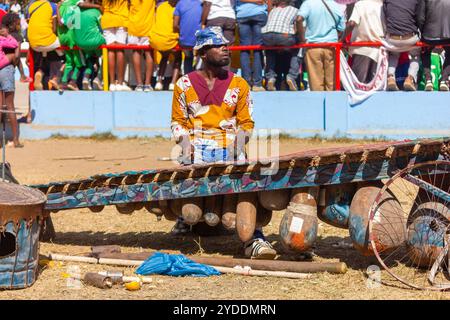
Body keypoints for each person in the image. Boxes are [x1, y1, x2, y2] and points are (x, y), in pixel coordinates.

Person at [170, 27, 277, 260]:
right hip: (196, 149)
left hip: (230, 147)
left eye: (225, 45)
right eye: (218, 46)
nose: (225, 48)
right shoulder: (183, 85)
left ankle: (255, 238)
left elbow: (246, 124)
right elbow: (178, 123)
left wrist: (235, 149)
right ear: (202, 53)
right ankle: (185, 216)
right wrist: (187, 147)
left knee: (247, 184)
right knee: (186, 189)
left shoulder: (239, 84)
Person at [296, 0, 345, 91]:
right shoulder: (335, 5)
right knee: (332, 83)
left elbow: (299, 19)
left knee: (316, 85)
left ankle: (318, 104)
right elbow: (342, 28)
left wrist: (302, 39)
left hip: (313, 47)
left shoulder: (308, 3)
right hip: (332, 47)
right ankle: (332, 104)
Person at [341, 0, 384, 84]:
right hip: (379, 51)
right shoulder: (382, 6)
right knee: (375, 89)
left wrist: (341, 39)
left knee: (359, 88)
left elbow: (351, 23)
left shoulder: (360, 4)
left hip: (362, 50)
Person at [383, 0, 420, 91]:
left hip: (393, 38)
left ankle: (391, 77)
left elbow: (384, 17)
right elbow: (419, 18)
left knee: (393, 54)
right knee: (415, 55)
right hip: (409, 38)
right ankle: (410, 78)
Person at [261, 0, 299, 91]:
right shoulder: (295, 10)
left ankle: (270, 77)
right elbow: (297, 27)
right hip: (283, 36)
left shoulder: (273, 10)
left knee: (270, 50)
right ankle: (292, 76)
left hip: (266, 35)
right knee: (299, 47)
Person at [27, 0, 63, 90]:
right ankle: (56, 79)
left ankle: (39, 72)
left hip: (33, 42)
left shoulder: (32, 6)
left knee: (45, 57)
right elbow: (54, 29)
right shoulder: (54, 6)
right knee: (69, 51)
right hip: (47, 41)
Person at [417, 0, 450, 91]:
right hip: (447, 34)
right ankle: (444, 79)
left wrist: (421, 31)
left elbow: (420, 17)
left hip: (429, 35)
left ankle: (428, 80)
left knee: (425, 52)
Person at [148, 0, 181, 91]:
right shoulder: (178, 7)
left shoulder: (161, 6)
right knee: (178, 57)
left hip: (156, 39)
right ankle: (173, 83)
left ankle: (159, 82)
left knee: (165, 56)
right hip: (169, 40)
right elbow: (176, 26)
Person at [235, 0, 268, 91]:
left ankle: (246, 83)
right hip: (259, 13)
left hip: (242, 14)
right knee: (258, 49)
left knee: (244, 49)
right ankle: (257, 84)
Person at [0, 21, 23, 148]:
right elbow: (16, 51)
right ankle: (15, 140)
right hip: (6, 69)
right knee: (10, 106)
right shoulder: (9, 38)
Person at [73, 0, 105, 90]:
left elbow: (73, 27)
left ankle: (86, 78)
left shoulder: (77, 12)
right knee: (107, 54)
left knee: (90, 58)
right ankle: (99, 77)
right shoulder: (97, 11)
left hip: (80, 42)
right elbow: (103, 28)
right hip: (95, 42)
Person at [101, 0, 131, 91]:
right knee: (120, 50)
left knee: (110, 50)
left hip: (107, 19)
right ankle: (120, 83)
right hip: (121, 19)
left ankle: (112, 83)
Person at [128, 0, 155, 92]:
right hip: (148, 26)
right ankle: (147, 84)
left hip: (133, 26)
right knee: (149, 53)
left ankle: (139, 84)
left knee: (136, 52)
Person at [173, 0, 202, 74]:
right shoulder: (202, 4)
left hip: (184, 40)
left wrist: (183, 30)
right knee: (200, 55)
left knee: (188, 57)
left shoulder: (180, 3)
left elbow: (175, 25)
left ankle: (188, 77)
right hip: (199, 39)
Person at [1, 12, 32, 82]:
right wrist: (13, 67)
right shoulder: (17, 36)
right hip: (9, 65)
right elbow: (17, 55)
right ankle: (23, 76)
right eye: (18, 24)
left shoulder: (2, 35)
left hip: (1, 62)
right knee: (8, 91)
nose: (20, 26)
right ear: (11, 26)